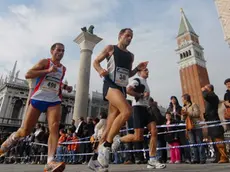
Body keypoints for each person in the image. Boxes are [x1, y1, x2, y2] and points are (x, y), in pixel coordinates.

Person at [0, 43, 72, 172]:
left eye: (63, 51)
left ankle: (50, 161)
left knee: (54, 127)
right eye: (58, 50)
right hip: (38, 98)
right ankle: (10, 141)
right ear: (52, 51)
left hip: (54, 99)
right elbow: (28, 74)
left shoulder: (63, 68)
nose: (61, 53)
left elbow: (56, 82)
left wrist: (65, 87)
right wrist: (47, 70)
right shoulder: (45, 62)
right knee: (25, 131)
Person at [91, 28, 148, 170]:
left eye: (131, 37)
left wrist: (137, 68)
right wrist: (100, 71)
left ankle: (95, 161)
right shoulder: (110, 48)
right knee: (127, 111)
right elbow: (96, 62)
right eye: (127, 35)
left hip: (121, 88)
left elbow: (127, 74)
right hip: (110, 85)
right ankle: (108, 145)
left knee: (109, 126)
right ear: (120, 36)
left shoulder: (131, 56)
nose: (129, 38)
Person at [111, 68, 166, 169]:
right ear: (139, 72)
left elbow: (145, 97)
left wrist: (150, 102)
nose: (148, 72)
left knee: (154, 131)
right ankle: (119, 139)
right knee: (138, 137)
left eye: (148, 70)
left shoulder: (145, 82)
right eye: (145, 70)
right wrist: (140, 95)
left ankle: (152, 159)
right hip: (138, 110)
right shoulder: (137, 80)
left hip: (146, 109)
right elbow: (128, 90)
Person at [201, 84, 228, 163]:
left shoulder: (212, 96)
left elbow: (205, 96)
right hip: (210, 120)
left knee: (218, 139)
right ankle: (218, 157)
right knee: (214, 140)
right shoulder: (211, 96)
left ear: (209, 89)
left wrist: (204, 90)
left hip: (214, 120)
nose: (204, 89)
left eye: (206, 88)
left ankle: (224, 157)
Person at [181, 94, 206, 164]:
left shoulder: (194, 105)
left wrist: (188, 113)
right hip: (189, 126)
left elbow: (197, 113)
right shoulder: (183, 108)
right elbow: (182, 119)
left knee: (199, 142)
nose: (182, 101)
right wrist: (183, 115)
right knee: (192, 143)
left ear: (186, 99)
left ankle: (202, 158)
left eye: (183, 99)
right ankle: (195, 158)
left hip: (196, 125)